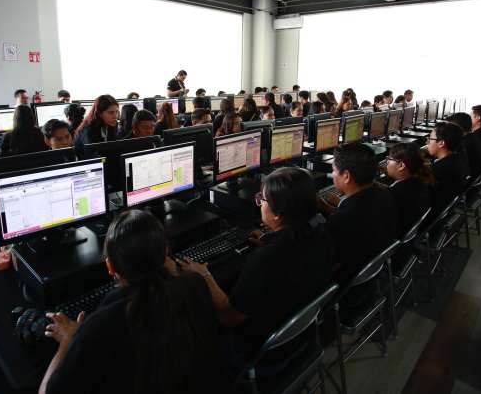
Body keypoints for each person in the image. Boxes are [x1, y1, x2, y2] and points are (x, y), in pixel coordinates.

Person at [40, 210, 225, 394]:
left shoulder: (100, 326)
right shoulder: (196, 285)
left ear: (110, 266)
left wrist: (67, 341)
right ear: (165, 254)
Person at [181, 167, 333, 371]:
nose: (259, 203)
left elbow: (229, 318)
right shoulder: (320, 232)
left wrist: (204, 276)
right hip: (305, 336)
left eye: (262, 199)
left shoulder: (266, 259)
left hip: (265, 355)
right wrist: (270, 240)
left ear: (278, 215)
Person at [319, 143, 398, 285]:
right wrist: (328, 208)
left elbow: (325, 263)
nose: (333, 175)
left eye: (334, 170)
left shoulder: (341, 221)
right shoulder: (385, 193)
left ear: (347, 176)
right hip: (371, 276)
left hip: (346, 288)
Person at [386, 143, 433, 236]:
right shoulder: (421, 180)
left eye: (388, 160)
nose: (387, 163)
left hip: (398, 238)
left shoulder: (394, 194)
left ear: (401, 166)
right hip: (413, 235)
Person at [427, 123, 468, 215]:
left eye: (430, 139)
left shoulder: (438, 170)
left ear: (441, 143)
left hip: (434, 217)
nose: (427, 142)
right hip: (448, 211)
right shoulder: (458, 159)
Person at [446, 112, 481, 179]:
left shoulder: (463, 144)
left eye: (449, 128)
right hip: (474, 176)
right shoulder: (473, 137)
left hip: (468, 179)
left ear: (457, 128)